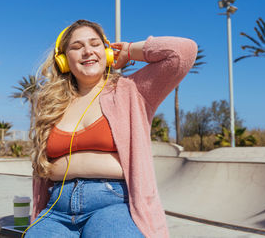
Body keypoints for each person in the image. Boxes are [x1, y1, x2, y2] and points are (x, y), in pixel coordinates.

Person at [25, 19, 197, 237]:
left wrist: (128, 50)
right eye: (76, 47)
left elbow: (183, 52)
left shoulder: (132, 91)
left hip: (111, 205)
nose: (87, 52)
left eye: (95, 44)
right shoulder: (51, 104)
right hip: (57, 207)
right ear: (64, 60)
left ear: (106, 52)